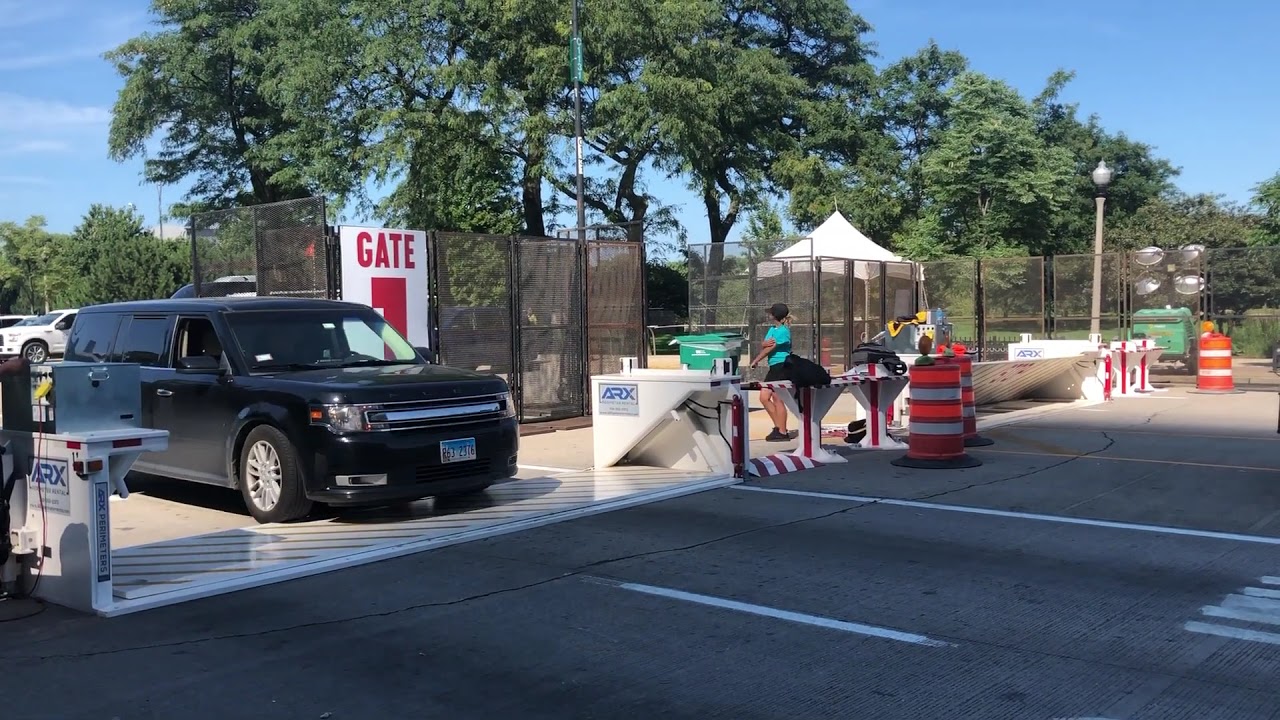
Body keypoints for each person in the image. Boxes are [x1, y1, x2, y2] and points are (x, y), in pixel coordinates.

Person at [750, 303, 796, 442]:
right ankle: (779, 427)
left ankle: (782, 431)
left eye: (771, 313)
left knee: (777, 398)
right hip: (773, 367)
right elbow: (764, 344)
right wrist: (764, 344)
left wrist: (756, 360)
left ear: (775, 315)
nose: (768, 315)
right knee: (764, 397)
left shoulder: (783, 331)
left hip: (782, 365)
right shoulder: (772, 329)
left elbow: (769, 348)